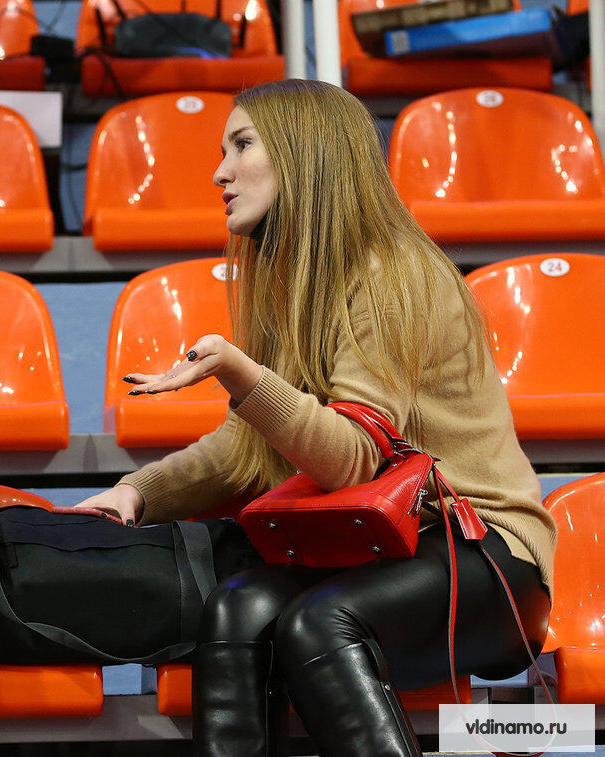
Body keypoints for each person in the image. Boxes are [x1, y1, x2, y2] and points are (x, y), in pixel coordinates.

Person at [74, 79, 555, 757]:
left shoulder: (392, 272)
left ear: (306, 154)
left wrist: (240, 372)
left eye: (242, 145)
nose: (219, 173)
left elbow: (353, 455)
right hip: (385, 549)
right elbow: (243, 452)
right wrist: (136, 493)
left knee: (320, 623)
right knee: (237, 607)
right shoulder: (297, 284)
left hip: (485, 556)